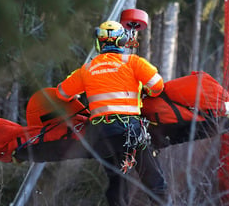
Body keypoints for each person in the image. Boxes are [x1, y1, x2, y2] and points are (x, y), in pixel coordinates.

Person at [55, 20, 168, 205]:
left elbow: (61, 93)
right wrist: (144, 92)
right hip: (130, 131)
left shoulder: (86, 69)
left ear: (99, 43)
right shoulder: (133, 62)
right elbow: (157, 86)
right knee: (155, 182)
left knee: (117, 183)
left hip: (101, 135)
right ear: (122, 42)